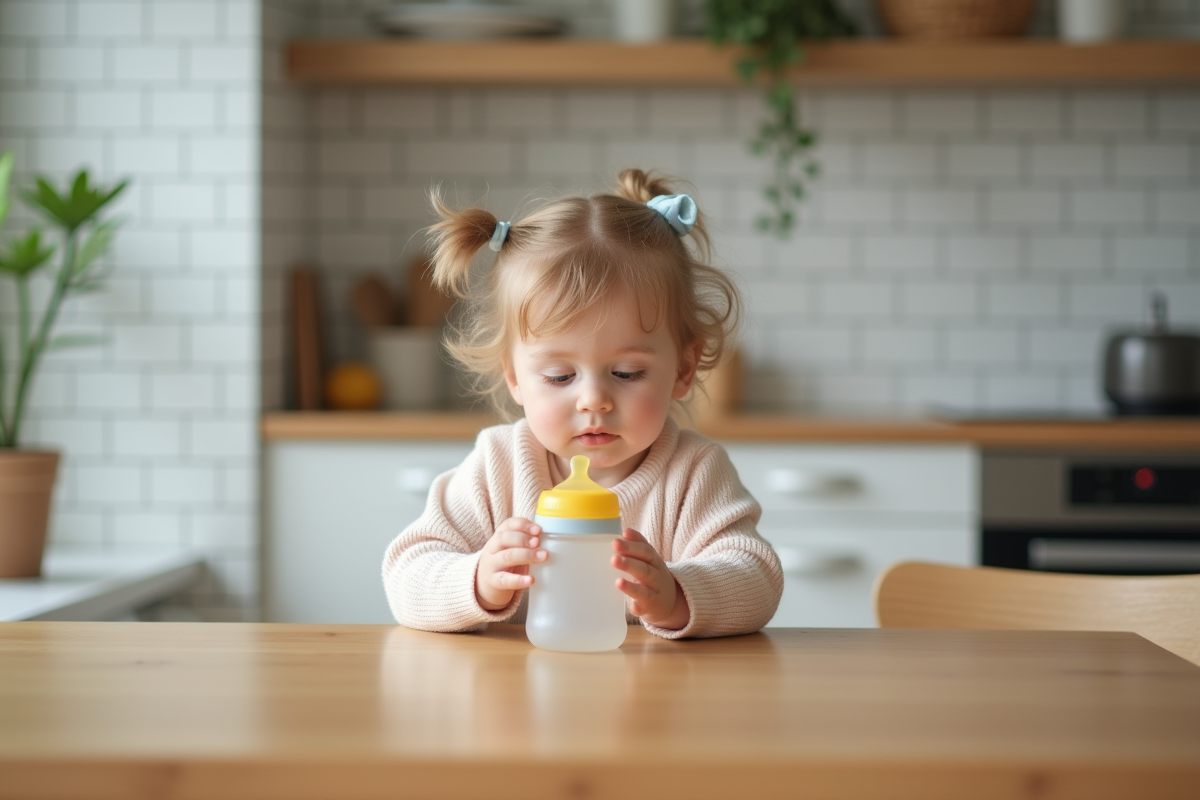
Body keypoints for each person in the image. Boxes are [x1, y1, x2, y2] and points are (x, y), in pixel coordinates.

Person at [381, 169, 783, 639]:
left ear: (683, 369)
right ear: (515, 377)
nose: (594, 400)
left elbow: (757, 577)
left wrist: (677, 593)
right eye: (559, 376)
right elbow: (407, 573)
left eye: (627, 374)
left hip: (652, 702)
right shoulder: (499, 467)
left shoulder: (693, 473)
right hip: (519, 699)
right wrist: (477, 580)